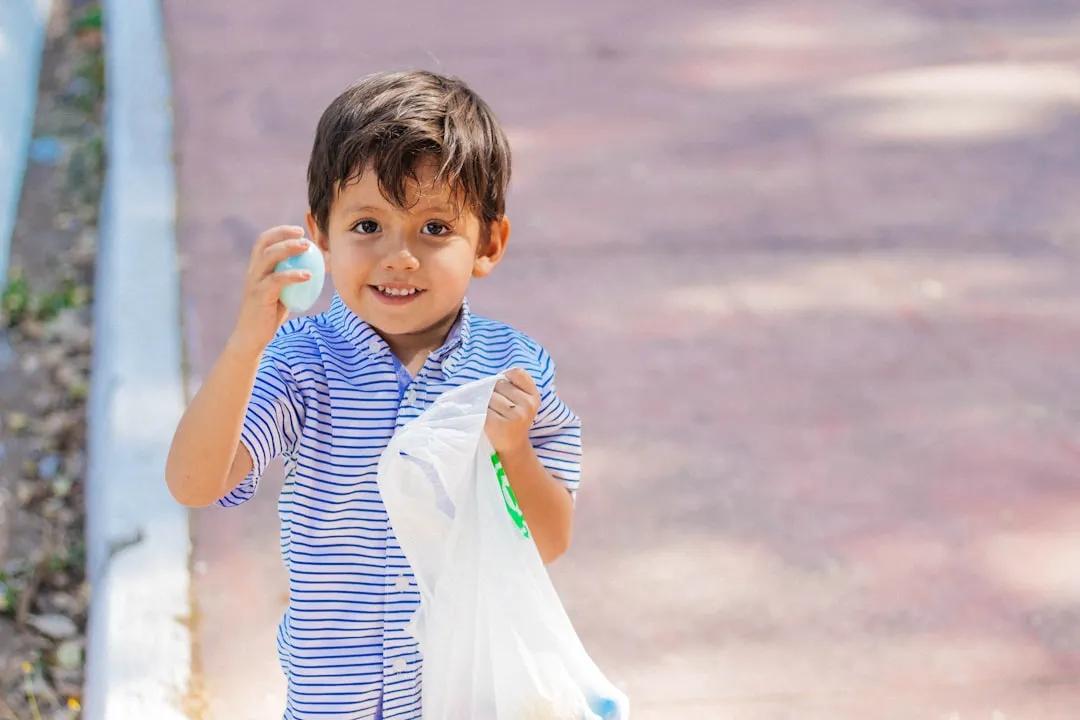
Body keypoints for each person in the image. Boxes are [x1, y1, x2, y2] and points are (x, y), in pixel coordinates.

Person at [164, 70, 582, 719]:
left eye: (435, 228)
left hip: (467, 698)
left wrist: (514, 452)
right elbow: (195, 483)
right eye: (367, 225)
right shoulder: (300, 361)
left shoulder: (512, 369)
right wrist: (247, 344)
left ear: (489, 243)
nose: (400, 256)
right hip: (332, 701)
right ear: (319, 238)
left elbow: (550, 541)